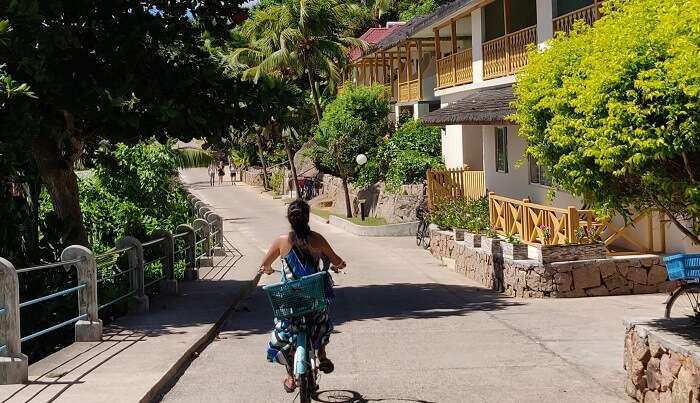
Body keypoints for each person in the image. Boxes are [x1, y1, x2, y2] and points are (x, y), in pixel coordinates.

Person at [259, 199, 346, 393]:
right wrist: (340, 264)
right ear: (308, 217)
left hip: (290, 302)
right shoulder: (318, 240)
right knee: (322, 321)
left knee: (285, 333)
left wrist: (268, 269)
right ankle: (322, 354)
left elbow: (264, 264)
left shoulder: (282, 241)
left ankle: (290, 377)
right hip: (313, 299)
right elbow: (336, 259)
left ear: (290, 219)